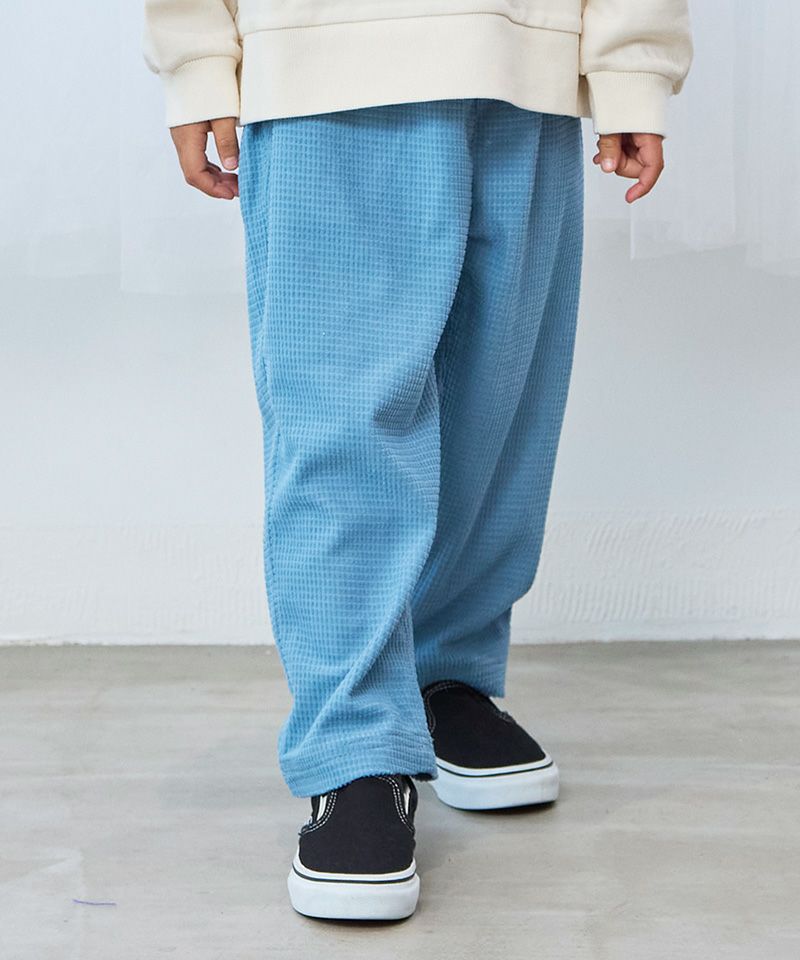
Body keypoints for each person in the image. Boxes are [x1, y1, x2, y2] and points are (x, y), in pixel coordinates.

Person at [143, 0, 692, 921]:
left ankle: (445, 674)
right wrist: (198, 54)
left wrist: (631, 63)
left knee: (500, 406)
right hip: (323, 54)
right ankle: (354, 744)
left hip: (524, 53)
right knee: (341, 418)